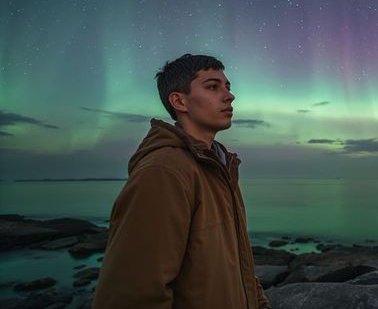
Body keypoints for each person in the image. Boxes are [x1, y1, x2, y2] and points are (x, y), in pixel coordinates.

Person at [92, 54, 271, 309]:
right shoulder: (164, 171)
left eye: (228, 87)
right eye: (213, 87)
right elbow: (133, 293)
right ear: (179, 101)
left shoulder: (219, 166)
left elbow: (239, 264)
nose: (229, 96)